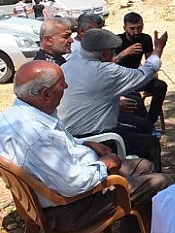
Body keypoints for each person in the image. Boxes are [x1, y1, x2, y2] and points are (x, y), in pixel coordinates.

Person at [0, 61, 169, 232]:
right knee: (161, 181)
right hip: (70, 208)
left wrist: (84, 142)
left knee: (143, 166)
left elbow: (57, 150)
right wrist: (105, 164)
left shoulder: (13, 116)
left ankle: (133, 225)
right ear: (45, 94)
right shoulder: (41, 136)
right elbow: (74, 183)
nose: (66, 86)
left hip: (56, 192)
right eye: (61, 84)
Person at [58, 28, 167, 171]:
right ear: (103, 54)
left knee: (142, 126)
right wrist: (158, 49)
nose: (114, 55)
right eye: (112, 51)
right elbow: (145, 73)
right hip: (97, 137)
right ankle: (151, 185)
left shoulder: (66, 66)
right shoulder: (106, 71)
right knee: (151, 144)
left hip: (68, 136)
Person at [115, 13, 168, 126]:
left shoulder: (145, 39)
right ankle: (141, 123)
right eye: (132, 28)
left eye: (139, 27)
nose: (136, 32)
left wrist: (152, 74)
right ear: (125, 28)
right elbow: (109, 63)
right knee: (135, 99)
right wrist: (126, 52)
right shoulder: (117, 41)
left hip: (137, 77)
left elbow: (150, 60)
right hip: (121, 80)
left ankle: (150, 120)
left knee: (160, 86)